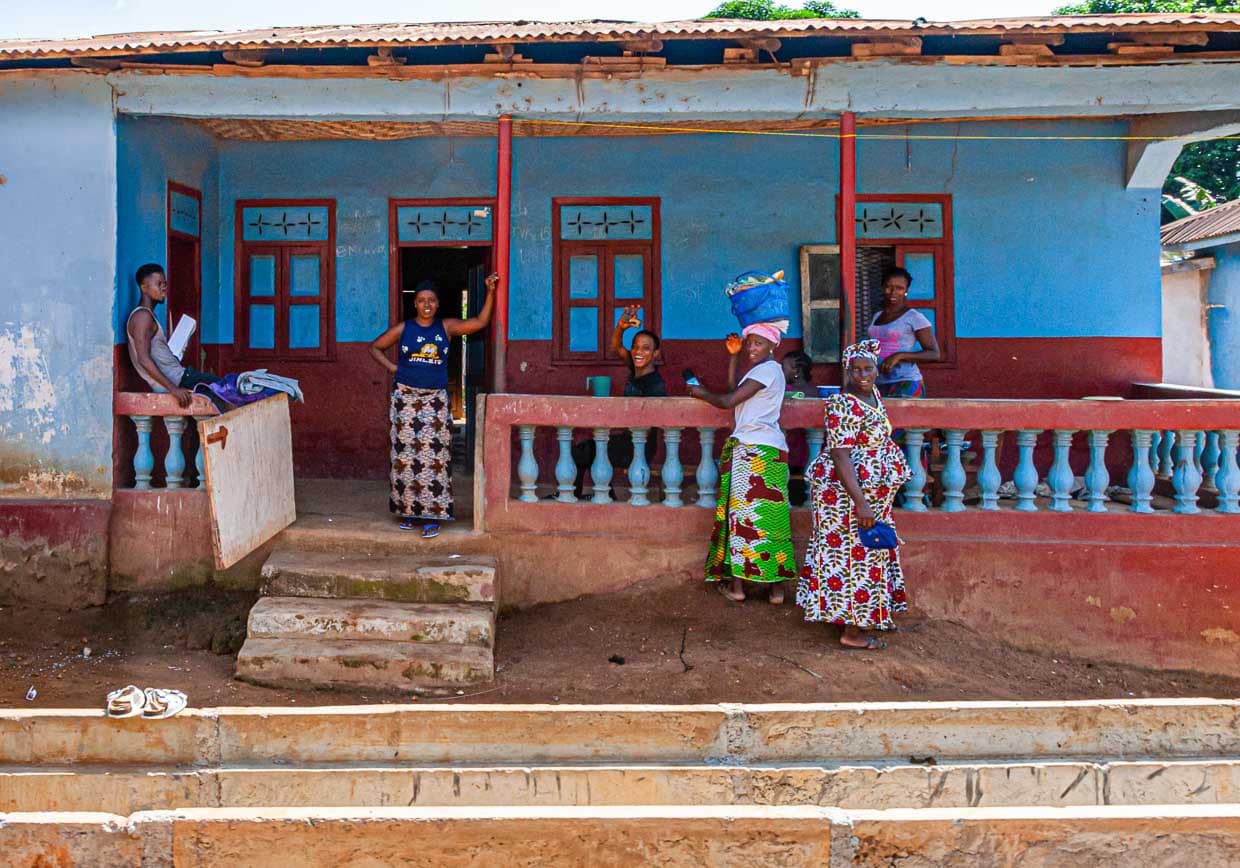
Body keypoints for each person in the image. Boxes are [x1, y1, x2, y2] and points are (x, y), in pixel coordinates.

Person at [796, 340, 912, 650]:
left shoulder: (873, 396)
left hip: (871, 495)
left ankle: (862, 618)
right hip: (846, 495)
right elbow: (840, 455)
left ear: (876, 370)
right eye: (856, 369)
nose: (863, 374)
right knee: (853, 555)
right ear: (847, 372)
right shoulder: (842, 404)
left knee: (867, 551)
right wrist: (861, 502)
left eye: (868, 368)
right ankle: (852, 631)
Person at [370, 273, 498, 537]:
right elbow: (375, 348)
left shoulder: (446, 327)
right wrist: (394, 368)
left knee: (434, 458)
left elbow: (480, 322)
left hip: (435, 400)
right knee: (405, 457)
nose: (426, 304)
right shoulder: (404, 328)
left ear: (437, 304)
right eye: (421, 300)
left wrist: (490, 291)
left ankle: (432, 515)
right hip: (405, 400)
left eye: (431, 300)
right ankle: (408, 511)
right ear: (414, 304)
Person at [689, 323, 796, 604]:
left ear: (774, 346)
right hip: (770, 451)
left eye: (758, 344)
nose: (752, 348)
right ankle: (776, 590)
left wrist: (700, 393)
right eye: (750, 343)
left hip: (752, 452)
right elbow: (733, 394)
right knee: (772, 521)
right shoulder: (766, 371)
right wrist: (734, 356)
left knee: (742, 521)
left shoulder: (767, 370)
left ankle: (737, 588)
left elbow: (725, 401)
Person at [570, 304, 665, 499]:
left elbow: (647, 426)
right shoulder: (634, 367)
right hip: (625, 439)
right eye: (635, 347)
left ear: (655, 354)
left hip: (640, 445)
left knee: (589, 451)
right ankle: (595, 494)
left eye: (646, 348)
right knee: (582, 451)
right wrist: (621, 327)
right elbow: (616, 347)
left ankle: (599, 495)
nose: (638, 351)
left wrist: (617, 416)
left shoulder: (656, 384)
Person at [126, 263, 220, 408]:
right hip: (179, 380)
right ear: (144, 288)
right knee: (225, 389)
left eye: (165, 283)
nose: (164, 287)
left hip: (180, 376)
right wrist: (173, 389)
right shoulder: (142, 316)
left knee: (225, 389)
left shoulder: (147, 315)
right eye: (158, 284)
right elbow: (143, 359)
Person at [867, 266, 939, 399]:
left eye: (899, 288)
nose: (893, 292)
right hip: (877, 382)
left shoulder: (914, 317)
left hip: (906, 383)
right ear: (883, 287)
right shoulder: (877, 316)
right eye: (889, 286)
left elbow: (934, 354)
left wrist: (899, 356)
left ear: (906, 290)